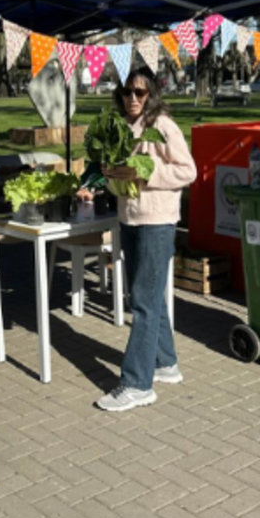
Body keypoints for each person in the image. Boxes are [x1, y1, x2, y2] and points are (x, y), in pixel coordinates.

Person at [94, 68, 197, 412]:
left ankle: (138, 383)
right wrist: (112, 176)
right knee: (149, 298)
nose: (133, 99)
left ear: (151, 93)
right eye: (127, 92)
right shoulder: (121, 128)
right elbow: (118, 179)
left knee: (142, 302)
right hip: (130, 220)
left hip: (157, 222)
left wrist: (145, 172)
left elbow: (187, 171)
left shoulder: (162, 125)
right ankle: (166, 364)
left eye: (140, 93)